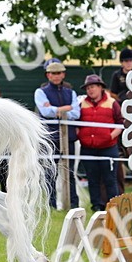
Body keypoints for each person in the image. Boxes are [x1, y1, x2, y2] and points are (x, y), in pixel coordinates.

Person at [35, 59, 80, 209]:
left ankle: (73, 204)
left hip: (69, 138)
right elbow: (45, 112)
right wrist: (66, 108)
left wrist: (55, 109)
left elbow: (76, 113)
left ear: (63, 74)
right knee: (50, 172)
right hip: (50, 137)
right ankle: (51, 205)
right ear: (48, 75)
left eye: (58, 73)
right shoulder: (40, 92)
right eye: (53, 73)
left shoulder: (71, 92)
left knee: (70, 172)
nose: (56, 76)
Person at [76, 74, 122, 212]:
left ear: (100, 87)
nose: (90, 90)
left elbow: (120, 123)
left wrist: (110, 136)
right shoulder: (81, 104)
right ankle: (96, 205)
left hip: (108, 148)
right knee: (92, 179)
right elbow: (75, 122)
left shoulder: (112, 103)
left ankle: (113, 205)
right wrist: (81, 136)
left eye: (93, 87)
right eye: (88, 88)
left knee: (110, 179)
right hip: (88, 147)